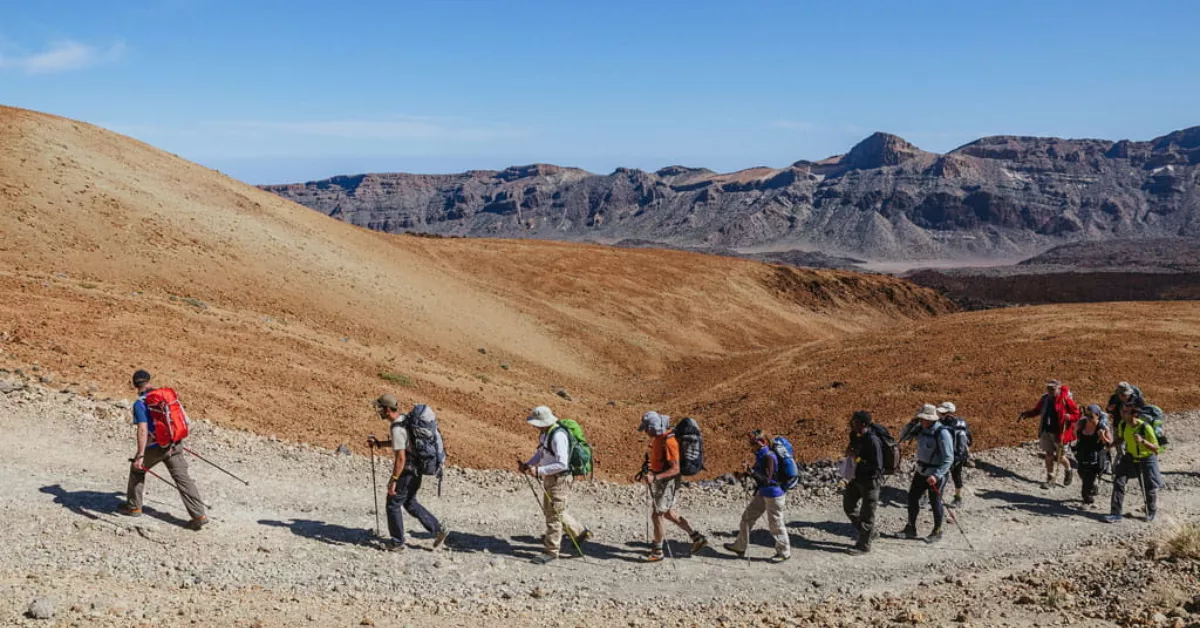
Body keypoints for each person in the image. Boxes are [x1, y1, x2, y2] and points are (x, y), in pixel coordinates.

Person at [118, 370, 208, 530]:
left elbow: (143, 430)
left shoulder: (140, 404)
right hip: (175, 443)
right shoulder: (166, 397)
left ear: (134, 385)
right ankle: (199, 515)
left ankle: (134, 507)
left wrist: (140, 455)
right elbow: (184, 420)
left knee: (137, 470)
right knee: (183, 479)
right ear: (149, 380)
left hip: (155, 448)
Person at [367, 394, 449, 552]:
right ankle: (438, 529)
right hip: (417, 469)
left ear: (387, 409)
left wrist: (393, 480)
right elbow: (403, 443)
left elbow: (400, 458)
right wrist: (380, 444)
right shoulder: (405, 420)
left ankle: (397, 542)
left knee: (392, 504)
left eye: (380, 408)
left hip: (407, 471)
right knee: (410, 502)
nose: (378, 411)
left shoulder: (396, 428)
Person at [520, 406, 591, 564]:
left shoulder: (558, 436)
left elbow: (562, 464)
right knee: (553, 511)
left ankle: (551, 551)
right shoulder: (546, 433)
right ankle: (579, 532)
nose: (535, 426)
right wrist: (529, 464)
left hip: (559, 479)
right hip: (550, 478)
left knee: (553, 515)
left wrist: (539, 470)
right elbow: (541, 453)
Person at [636, 411, 707, 562]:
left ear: (653, 427)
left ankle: (658, 551)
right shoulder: (659, 439)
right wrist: (650, 469)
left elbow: (675, 469)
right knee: (668, 513)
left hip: (668, 482)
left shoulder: (669, 442)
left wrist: (655, 477)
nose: (645, 432)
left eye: (646, 428)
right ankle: (697, 537)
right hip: (663, 481)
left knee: (657, 515)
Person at [724, 430, 791, 563]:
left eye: (753, 443)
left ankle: (784, 552)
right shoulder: (761, 455)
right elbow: (758, 474)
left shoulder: (769, 457)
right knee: (747, 517)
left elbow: (766, 479)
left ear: (762, 443)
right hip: (763, 492)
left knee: (775, 524)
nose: (751, 446)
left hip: (773, 495)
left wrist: (751, 471)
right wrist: (743, 474)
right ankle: (740, 546)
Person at [901, 404, 953, 543]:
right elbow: (903, 437)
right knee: (912, 498)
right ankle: (910, 528)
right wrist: (911, 424)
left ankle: (937, 531)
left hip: (935, 474)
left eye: (923, 419)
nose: (921, 421)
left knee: (935, 502)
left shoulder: (942, 433)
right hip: (921, 471)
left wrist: (936, 475)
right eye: (920, 418)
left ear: (931, 419)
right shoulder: (920, 429)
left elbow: (949, 458)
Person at [1019, 380, 1081, 489]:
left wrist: (1069, 417)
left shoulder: (1065, 399)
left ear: (1058, 388)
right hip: (1046, 431)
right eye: (1048, 388)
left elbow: (1077, 414)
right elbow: (1037, 410)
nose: (1050, 391)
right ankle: (1050, 478)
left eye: (1052, 389)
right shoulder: (1045, 398)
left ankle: (1068, 470)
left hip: (1060, 433)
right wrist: (1027, 414)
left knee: (1060, 457)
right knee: (1049, 455)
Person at [1108, 405, 1163, 523]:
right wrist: (1110, 445)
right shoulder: (1123, 424)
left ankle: (1151, 511)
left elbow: (1156, 448)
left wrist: (1142, 441)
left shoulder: (1145, 427)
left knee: (1148, 486)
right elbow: (1121, 438)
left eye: (1126, 412)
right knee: (1118, 481)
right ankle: (1115, 513)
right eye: (1122, 411)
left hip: (1146, 459)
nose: (1122, 414)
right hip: (1129, 457)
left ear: (1134, 415)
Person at [844, 410, 884, 554]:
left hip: (870, 481)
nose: (851, 423)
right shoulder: (855, 436)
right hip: (857, 478)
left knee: (867, 515)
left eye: (855, 421)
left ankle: (864, 546)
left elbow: (877, 466)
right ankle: (868, 532)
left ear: (863, 424)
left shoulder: (873, 440)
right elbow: (852, 450)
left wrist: (858, 459)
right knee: (848, 506)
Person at [1074, 404, 1113, 508]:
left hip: (1096, 458)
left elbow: (1110, 444)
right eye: (1086, 415)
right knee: (1081, 473)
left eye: (1091, 416)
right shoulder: (1082, 424)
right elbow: (1076, 435)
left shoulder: (1102, 427)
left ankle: (1087, 500)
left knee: (1088, 479)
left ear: (1097, 415)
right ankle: (1093, 487)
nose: (1088, 418)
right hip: (1083, 455)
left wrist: (1103, 437)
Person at [937, 402, 973, 506]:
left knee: (938, 475)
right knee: (957, 476)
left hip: (947, 455)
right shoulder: (962, 421)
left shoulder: (943, 423)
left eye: (942, 413)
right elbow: (969, 439)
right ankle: (958, 498)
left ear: (948, 413)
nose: (940, 415)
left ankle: (933, 498)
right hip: (961, 455)